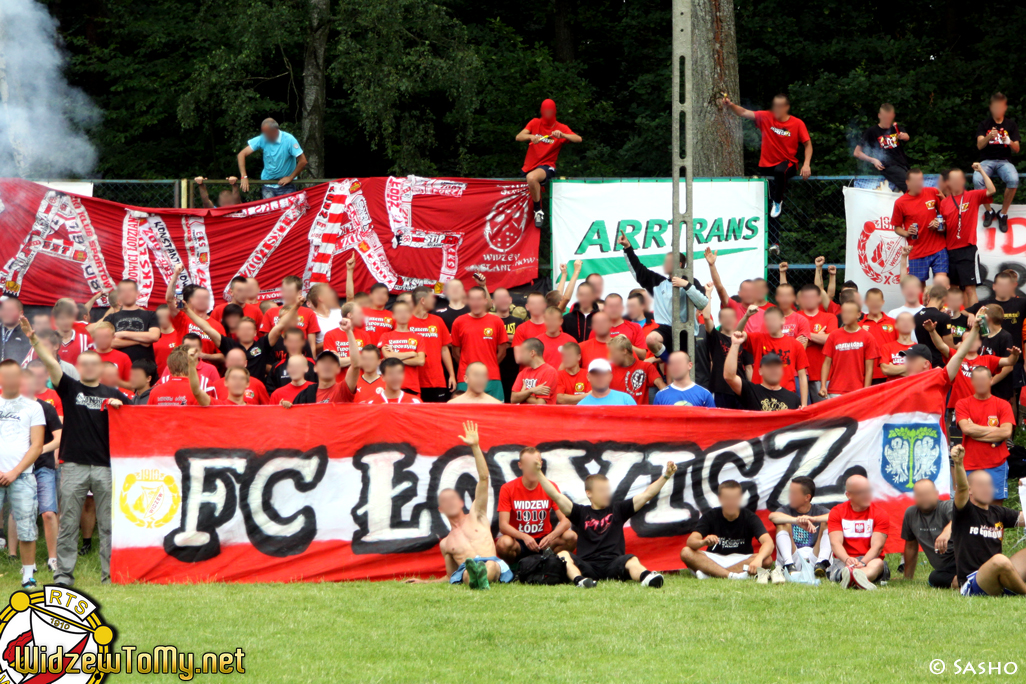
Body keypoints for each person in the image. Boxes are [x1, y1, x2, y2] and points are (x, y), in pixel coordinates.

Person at [22, 317, 124, 586]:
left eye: (94, 363)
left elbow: (138, 425)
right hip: (73, 466)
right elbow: (51, 363)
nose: (89, 367)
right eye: (84, 364)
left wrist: (121, 408)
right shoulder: (69, 387)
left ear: (101, 367)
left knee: (108, 524)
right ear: (78, 368)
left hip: (105, 467)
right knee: (68, 524)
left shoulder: (116, 395)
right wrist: (33, 340)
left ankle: (110, 576)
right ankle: (63, 576)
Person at [533, 457, 674, 587]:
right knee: (563, 554)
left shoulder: (619, 509)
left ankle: (647, 577)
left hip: (613, 565)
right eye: (601, 490)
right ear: (589, 493)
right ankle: (580, 581)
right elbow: (556, 496)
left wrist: (665, 476)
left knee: (631, 559)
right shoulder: (580, 512)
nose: (606, 494)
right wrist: (538, 473)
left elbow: (646, 495)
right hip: (587, 567)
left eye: (607, 490)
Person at [409, 422, 510, 588]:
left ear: (461, 502)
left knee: (489, 565)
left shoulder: (477, 514)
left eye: (453, 498)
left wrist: (475, 447)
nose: (450, 502)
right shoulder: (446, 543)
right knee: (464, 573)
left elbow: (484, 478)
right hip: (466, 570)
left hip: (492, 564)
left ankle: (480, 577)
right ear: (441, 509)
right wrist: (424, 582)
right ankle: (477, 579)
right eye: (445, 500)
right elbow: (450, 576)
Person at [949, 444, 1026, 596]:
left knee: (1006, 560)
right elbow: (962, 488)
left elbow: (1025, 517)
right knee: (1000, 560)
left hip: (997, 574)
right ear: (970, 489)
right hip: (973, 581)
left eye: (989, 485)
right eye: (981, 485)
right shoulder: (965, 511)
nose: (987, 488)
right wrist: (958, 463)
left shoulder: (999, 512)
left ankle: (1011, 586)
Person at [722, 93, 812, 218]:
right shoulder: (765, 116)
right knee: (766, 203)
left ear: (786, 107)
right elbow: (743, 112)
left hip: (787, 162)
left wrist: (806, 164)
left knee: (780, 171)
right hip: (767, 165)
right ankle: (768, 228)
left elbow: (808, 144)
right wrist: (730, 105)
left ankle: (777, 201)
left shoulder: (797, 123)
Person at [618, 233, 708, 356]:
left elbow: (702, 303)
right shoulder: (659, 283)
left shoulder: (691, 281)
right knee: (651, 339)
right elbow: (639, 271)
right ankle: (667, 360)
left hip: (686, 330)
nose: (665, 264)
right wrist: (628, 248)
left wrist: (686, 285)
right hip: (666, 329)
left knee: (683, 368)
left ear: (680, 264)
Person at [0, 360, 44, 588]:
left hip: (23, 476)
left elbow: (37, 445)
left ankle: (28, 575)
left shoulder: (33, 406)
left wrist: (15, 471)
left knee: (27, 526)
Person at [681, 480, 779, 583]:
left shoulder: (749, 517)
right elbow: (691, 541)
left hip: (741, 559)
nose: (731, 502)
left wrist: (758, 559)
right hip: (714, 559)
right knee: (686, 552)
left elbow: (768, 542)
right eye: (727, 499)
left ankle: (711, 574)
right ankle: (731, 575)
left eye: (734, 499)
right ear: (720, 499)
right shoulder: (711, 515)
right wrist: (704, 542)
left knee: (766, 559)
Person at [495, 448, 577, 564]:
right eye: (528, 465)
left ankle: (552, 565)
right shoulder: (508, 488)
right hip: (520, 542)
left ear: (541, 464)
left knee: (571, 536)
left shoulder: (549, 487)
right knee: (504, 543)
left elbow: (566, 521)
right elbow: (503, 526)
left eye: (536, 465)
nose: (532, 469)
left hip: (544, 541)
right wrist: (524, 537)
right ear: (520, 465)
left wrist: (551, 536)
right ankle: (515, 570)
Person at [17, 367, 61, 575]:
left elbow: (59, 438)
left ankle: (54, 558)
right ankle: (29, 563)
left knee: (49, 513)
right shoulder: (10, 409)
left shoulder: (46, 408)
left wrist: (38, 450)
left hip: (43, 466)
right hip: (19, 469)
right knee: (24, 515)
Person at [516, 99, 581, 229]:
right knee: (525, 185)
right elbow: (519, 136)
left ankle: (538, 211)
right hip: (529, 166)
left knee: (532, 178)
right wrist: (530, 137)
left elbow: (578, 139)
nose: (548, 114)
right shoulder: (535, 123)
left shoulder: (560, 127)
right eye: (545, 111)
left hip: (546, 166)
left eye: (550, 111)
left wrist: (562, 135)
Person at [956, 366, 1016, 503]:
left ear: (991, 380)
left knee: (996, 507)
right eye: (977, 380)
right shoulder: (962, 404)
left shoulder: (1003, 404)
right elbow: (966, 429)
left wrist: (975, 431)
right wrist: (996, 431)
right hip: (971, 464)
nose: (980, 383)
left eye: (983, 379)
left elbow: (1006, 432)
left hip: (997, 463)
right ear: (971, 382)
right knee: (971, 506)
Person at [940, 164, 995, 307]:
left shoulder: (972, 195)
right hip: (949, 250)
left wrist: (981, 170)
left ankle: (973, 321)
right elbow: (944, 227)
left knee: (970, 288)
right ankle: (956, 319)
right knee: (953, 289)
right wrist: (937, 226)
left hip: (967, 249)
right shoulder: (944, 202)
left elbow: (991, 190)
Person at [827, 474, 891, 590]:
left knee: (877, 564)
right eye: (861, 492)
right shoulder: (837, 512)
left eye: (868, 491)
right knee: (842, 568)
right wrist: (847, 559)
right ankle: (857, 578)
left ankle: (852, 578)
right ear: (848, 495)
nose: (867, 495)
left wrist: (864, 562)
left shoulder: (880, 514)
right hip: (844, 559)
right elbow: (835, 543)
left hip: (870, 560)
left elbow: (877, 546)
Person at [738, 305, 809, 404]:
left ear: (783, 320)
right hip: (760, 395)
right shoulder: (758, 339)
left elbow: (802, 376)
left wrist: (804, 404)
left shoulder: (796, 345)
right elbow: (737, 334)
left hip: (786, 394)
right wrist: (746, 316)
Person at [449, 287, 508, 402]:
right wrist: (468, 369)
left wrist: (489, 367)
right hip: (465, 378)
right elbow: (455, 352)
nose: (475, 303)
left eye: (478, 299)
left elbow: (502, 351)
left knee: (495, 415)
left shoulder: (496, 321)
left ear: (485, 301)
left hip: (492, 377)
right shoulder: (458, 322)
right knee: (465, 415)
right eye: (472, 299)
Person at [767, 477, 831, 577]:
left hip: (815, 556)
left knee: (829, 522)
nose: (789, 496)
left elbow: (836, 517)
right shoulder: (786, 509)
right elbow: (772, 516)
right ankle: (788, 565)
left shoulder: (818, 510)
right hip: (793, 556)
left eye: (794, 494)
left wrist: (813, 519)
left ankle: (821, 564)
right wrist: (796, 521)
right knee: (783, 523)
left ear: (807, 497)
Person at [976, 92, 1020, 233]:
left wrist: (1010, 142)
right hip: (986, 161)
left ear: (1005, 108)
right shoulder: (984, 124)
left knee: (1014, 179)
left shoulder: (1010, 124)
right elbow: (979, 146)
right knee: (977, 180)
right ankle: (989, 211)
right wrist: (989, 136)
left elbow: (1017, 149)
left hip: (1004, 161)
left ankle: (1003, 213)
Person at [891, 168, 947, 282]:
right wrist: (907, 232)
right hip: (917, 251)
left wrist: (938, 221)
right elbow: (896, 227)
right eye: (916, 181)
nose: (919, 184)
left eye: (921, 180)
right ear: (907, 182)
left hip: (938, 248)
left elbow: (947, 212)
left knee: (941, 285)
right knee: (919, 290)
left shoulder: (932, 192)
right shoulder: (900, 202)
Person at [899, 479, 956, 588]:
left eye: (927, 494)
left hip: (962, 560)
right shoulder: (911, 514)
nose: (924, 498)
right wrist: (907, 577)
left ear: (936, 494)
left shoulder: (946, 506)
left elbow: (960, 519)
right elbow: (911, 546)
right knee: (934, 578)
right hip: (944, 570)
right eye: (920, 495)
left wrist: (947, 531)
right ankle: (965, 581)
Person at [164, 265, 226, 364]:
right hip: (182, 367)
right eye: (198, 297)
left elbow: (223, 356)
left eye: (205, 297)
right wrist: (176, 274)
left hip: (205, 371)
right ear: (191, 300)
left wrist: (205, 356)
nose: (202, 300)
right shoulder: (183, 317)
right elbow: (169, 299)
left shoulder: (217, 326)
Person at [724, 332, 801, 411]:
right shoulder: (751, 391)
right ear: (760, 371)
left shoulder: (794, 399)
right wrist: (735, 345)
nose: (773, 370)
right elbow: (729, 377)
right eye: (769, 366)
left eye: (776, 366)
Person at [89, 280, 159, 364]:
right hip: (118, 367)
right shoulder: (111, 318)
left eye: (130, 290)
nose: (127, 294)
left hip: (145, 368)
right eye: (124, 291)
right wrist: (140, 341)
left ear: (137, 293)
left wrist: (123, 334)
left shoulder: (150, 314)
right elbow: (109, 342)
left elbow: (154, 336)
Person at [820, 301, 879, 398]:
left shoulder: (867, 337)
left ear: (858, 314)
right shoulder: (834, 335)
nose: (845, 315)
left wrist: (866, 390)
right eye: (844, 312)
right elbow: (826, 363)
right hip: (835, 389)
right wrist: (823, 386)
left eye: (849, 312)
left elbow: (869, 369)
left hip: (858, 390)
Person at [237, 118, 307, 199]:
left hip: (287, 186)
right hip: (268, 184)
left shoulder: (289, 139)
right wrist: (244, 176)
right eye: (263, 133)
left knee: (288, 211)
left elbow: (303, 161)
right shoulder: (262, 138)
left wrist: (290, 177)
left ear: (275, 131)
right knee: (270, 212)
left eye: (267, 133)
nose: (264, 136)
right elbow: (241, 154)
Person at [409, 286, 456, 402]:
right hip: (412, 380)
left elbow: (444, 349)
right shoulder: (405, 321)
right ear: (423, 300)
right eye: (431, 298)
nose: (434, 301)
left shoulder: (437, 321)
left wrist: (451, 375)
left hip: (436, 380)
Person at [705, 301, 753, 409]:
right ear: (719, 320)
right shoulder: (715, 337)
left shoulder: (743, 340)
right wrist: (708, 294)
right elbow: (706, 317)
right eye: (725, 317)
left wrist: (752, 390)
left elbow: (749, 367)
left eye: (731, 317)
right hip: (720, 388)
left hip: (740, 388)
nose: (728, 320)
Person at [854, 102, 910, 191]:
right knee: (910, 188)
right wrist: (873, 160)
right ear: (879, 116)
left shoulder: (896, 128)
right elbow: (857, 152)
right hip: (887, 166)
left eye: (889, 118)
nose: (887, 121)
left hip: (903, 165)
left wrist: (903, 136)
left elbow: (907, 137)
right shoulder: (872, 131)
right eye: (885, 118)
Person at [376, 301, 425, 396]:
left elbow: (421, 361)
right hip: (390, 386)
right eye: (399, 312)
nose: (403, 315)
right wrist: (411, 353)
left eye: (406, 312)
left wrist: (394, 357)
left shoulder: (418, 337)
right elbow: (387, 355)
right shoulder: (386, 336)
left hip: (412, 386)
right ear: (393, 315)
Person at [259, 276, 319, 354]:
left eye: (290, 291)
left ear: (299, 292)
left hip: (300, 356)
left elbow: (312, 343)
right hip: (275, 359)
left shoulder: (309, 313)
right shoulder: (270, 312)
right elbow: (266, 340)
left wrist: (312, 362)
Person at [608, 335, 664, 404]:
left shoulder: (645, 367)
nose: (610, 356)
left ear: (624, 351)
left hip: (639, 413)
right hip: (617, 413)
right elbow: (597, 391)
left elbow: (662, 386)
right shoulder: (609, 370)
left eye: (613, 353)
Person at [859, 289, 896, 384]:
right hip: (866, 375)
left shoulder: (893, 323)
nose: (874, 304)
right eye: (872, 301)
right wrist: (860, 333)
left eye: (877, 301)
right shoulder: (859, 326)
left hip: (890, 373)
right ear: (866, 302)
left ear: (883, 302)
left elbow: (900, 346)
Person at [913, 284, 953, 368]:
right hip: (939, 363)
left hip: (923, 361)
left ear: (928, 296)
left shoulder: (916, 316)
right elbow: (949, 348)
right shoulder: (943, 317)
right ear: (944, 298)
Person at [510, 339, 559, 405]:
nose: (520, 356)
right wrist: (531, 391)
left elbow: (540, 404)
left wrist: (523, 394)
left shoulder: (549, 372)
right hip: (523, 414)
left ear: (532, 353)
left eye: (522, 352)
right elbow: (513, 399)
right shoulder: (523, 372)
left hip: (541, 415)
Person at [88, 322, 132, 390]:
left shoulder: (123, 357)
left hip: (115, 397)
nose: (102, 340)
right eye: (99, 336)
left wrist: (116, 381)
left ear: (113, 337)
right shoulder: (87, 357)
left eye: (106, 337)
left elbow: (132, 386)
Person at [51, 299, 92, 367]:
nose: (66, 321)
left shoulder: (85, 339)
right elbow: (29, 365)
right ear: (55, 319)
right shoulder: (45, 341)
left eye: (69, 317)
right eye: (62, 318)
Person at [879, 313, 917, 381]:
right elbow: (885, 369)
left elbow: (923, 374)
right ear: (896, 325)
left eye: (909, 321)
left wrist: (893, 369)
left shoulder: (920, 349)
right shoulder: (886, 347)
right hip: (893, 390)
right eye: (902, 321)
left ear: (913, 325)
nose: (905, 323)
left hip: (913, 390)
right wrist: (912, 368)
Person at [0, 297, 31, 364]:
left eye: (10, 310)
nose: (6, 313)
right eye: (3, 309)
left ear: (21, 313)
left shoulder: (27, 334)